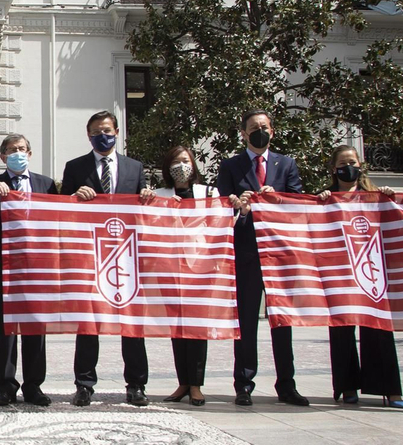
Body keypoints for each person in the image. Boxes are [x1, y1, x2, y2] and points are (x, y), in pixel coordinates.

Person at [216, 109, 307, 407]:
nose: (260, 132)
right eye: (254, 128)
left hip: (279, 255)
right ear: (243, 133)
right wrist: (236, 205)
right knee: (245, 322)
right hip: (245, 253)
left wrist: (276, 199)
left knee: (282, 321)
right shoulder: (231, 165)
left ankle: (287, 384)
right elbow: (219, 205)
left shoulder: (287, 163)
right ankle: (243, 383)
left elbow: (298, 203)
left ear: (273, 130)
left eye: (265, 127)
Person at [61, 111, 149, 407]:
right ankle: (84, 384)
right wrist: (74, 196)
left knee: (132, 323)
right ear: (89, 136)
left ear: (118, 131)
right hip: (90, 255)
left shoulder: (135, 168)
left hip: (126, 255)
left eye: (108, 130)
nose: (103, 135)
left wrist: (148, 196)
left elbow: (144, 210)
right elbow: (63, 210)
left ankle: (136, 384)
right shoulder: (75, 167)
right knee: (89, 323)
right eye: (97, 131)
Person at [318, 146, 403, 409]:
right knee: (342, 329)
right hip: (339, 272)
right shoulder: (327, 197)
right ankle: (347, 386)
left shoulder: (375, 196)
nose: (349, 167)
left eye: (353, 162)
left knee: (378, 329)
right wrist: (318, 201)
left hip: (370, 270)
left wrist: (391, 198)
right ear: (334, 169)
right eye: (343, 163)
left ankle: (389, 389)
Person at [0, 134, 56, 407]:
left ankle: (34, 386)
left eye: (22, 149)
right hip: (4, 270)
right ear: (3, 156)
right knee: (6, 331)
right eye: (12, 150)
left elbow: (58, 221)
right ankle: (5, 386)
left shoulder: (46, 184)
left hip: (38, 270)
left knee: (36, 330)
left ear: (30, 153)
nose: (17, 153)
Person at [150, 145, 215, 406]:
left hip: (200, 268)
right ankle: (183, 382)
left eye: (185, 161)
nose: (181, 166)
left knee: (197, 328)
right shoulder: (158, 194)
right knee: (177, 328)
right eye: (175, 161)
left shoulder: (209, 192)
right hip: (170, 268)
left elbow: (220, 224)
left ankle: (197, 384)